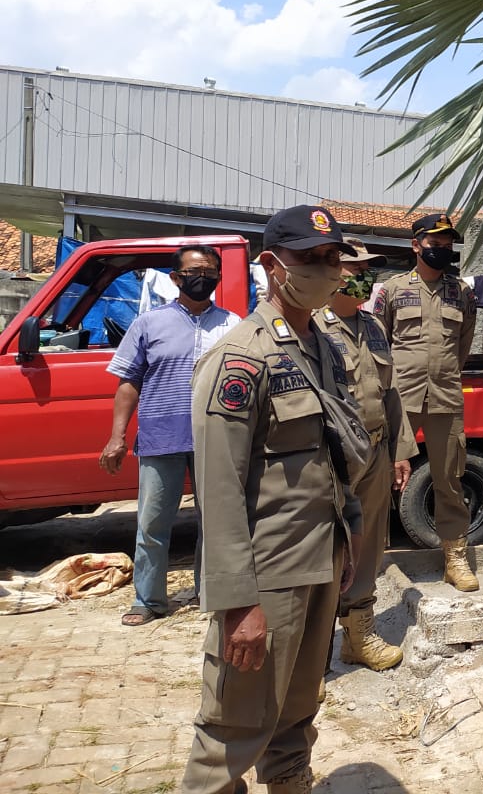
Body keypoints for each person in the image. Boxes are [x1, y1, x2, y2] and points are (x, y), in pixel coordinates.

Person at [181, 204, 362, 794]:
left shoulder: (325, 350)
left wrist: (348, 541)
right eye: (311, 259)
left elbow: (334, 453)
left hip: (320, 562)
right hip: (268, 574)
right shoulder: (240, 358)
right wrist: (239, 604)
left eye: (332, 259)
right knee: (232, 732)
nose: (326, 270)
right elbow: (218, 487)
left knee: (295, 720)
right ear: (271, 264)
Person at [101, 245, 240, 627]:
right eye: (194, 271)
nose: (203, 278)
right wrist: (117, 437)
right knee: (152, 523)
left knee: (215, 523)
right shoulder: (148, 323)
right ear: (176, 278)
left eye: (210, 272)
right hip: (161, 436)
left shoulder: (233, 325)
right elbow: (129, 382)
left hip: (215, 438)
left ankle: (210, 593)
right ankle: (149, 600)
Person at [316, 237, 417, 673]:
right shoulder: (313, 328)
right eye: (356, 270)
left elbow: (390, 393)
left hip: (375, 451)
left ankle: (358, 638)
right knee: (324, 550)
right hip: (331, 458)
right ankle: (313, 656)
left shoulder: (373, 326)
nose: (363, 278)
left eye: (367, 270)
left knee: (369, 548)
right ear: (332, 273)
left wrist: (401, 451)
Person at [375, 212, 479, 591]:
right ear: (416, 245)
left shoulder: (462, 293)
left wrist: (444, 373)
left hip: (446, 397)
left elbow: (463, 344)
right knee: (382, 476)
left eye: (447, 244)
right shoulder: (391, 290)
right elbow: (379, 345)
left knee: (449, 479)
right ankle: (371, 559)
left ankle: (455, 558)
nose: (442, 250)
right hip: (401, 397)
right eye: (435, 243)